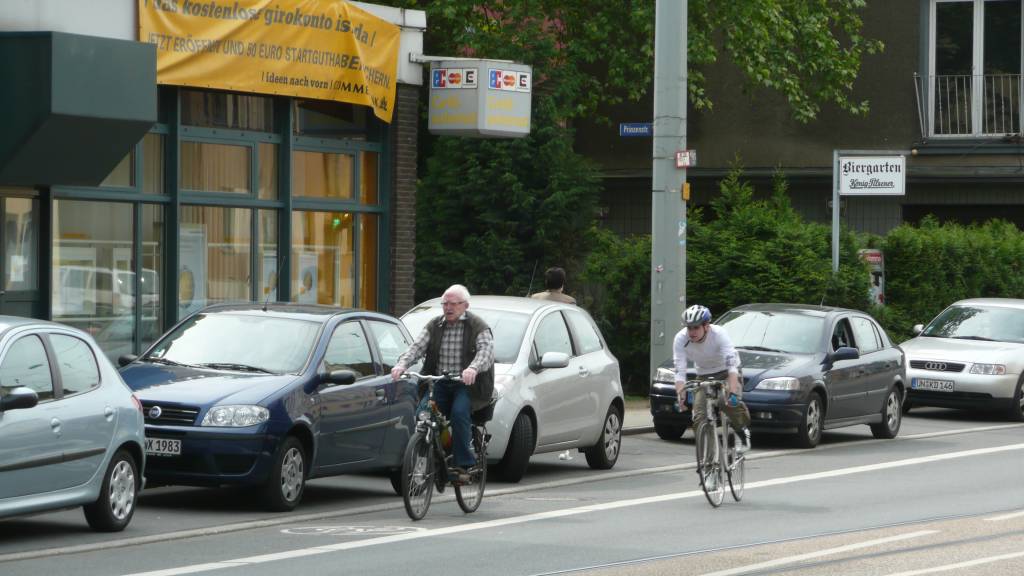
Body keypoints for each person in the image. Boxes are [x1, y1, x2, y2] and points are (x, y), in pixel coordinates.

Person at [391, 284, 495, 475]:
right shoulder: (435, 325)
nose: (448, 307)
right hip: (440, 381)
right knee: (423, 415)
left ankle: (463, 464)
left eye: (453, 304)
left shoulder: (478, 326)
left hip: (467, 385)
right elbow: (416, 348)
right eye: (445, 303)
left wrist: (473, 368)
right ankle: (430, 454)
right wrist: (402, 364)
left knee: (459, 413)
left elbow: (485, 353)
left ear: (465, 305)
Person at [673, 304, 752, 452]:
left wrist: (733, 392)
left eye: (696, 327)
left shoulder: (719, 334)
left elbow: (732, 366)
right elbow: (679, 370)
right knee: (699, 417)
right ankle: (708, 461)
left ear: (706, 326)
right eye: (689, 328)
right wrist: (680, 394)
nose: (692, 332)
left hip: (727, 371)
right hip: (703, 374)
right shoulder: (680, 339)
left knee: (726, 401)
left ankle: (742, 429)